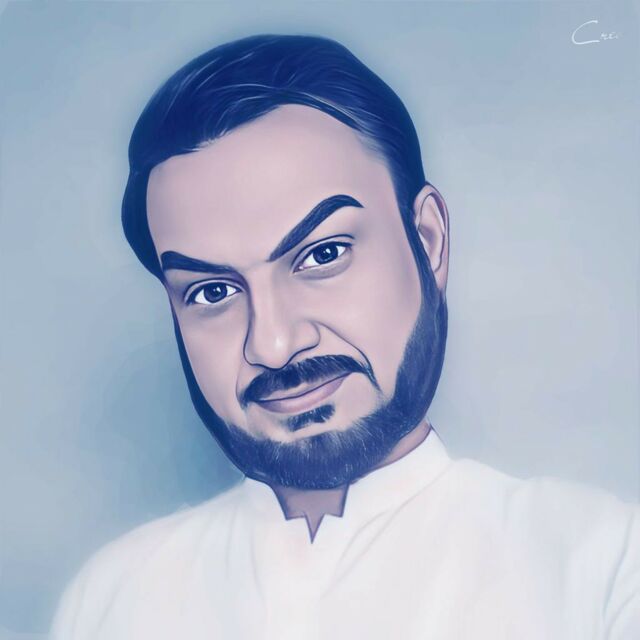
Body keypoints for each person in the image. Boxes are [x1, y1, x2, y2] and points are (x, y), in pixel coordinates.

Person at [50, 34, 639, 640]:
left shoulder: (604, 570)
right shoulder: (111, 600)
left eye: (323, 254)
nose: (273, 345)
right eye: (213, 291)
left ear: (428, 241)